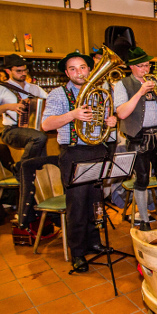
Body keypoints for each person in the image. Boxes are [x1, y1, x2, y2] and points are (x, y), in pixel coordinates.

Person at [41, 52, 118, 273]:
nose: (79, 72)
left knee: (96, 201)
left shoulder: (100, 93)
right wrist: (72, 114)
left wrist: (110, 121)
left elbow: (104, 121)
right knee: (77, 204)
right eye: (73, 69)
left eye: (83, 67)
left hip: (97, 149)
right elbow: (46, 125)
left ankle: (94, 242)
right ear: (66, 73)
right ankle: (77, 252)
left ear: (89, 69)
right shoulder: (58, 94)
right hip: (74, 152)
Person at [114, 46, 157, 228]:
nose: (146, 70)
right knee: (141, 180)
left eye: (148, 65)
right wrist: (140, 92)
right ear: (131, 67)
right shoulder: (122, 84)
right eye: (141, 66)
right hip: (138, 137)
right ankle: (144, 220)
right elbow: (121, 113)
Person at [0, 54, 48, 174]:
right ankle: (20, 169)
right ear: (8, 71)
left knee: (41, 159)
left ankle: (34, 181)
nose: (23, 73)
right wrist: (8, 106)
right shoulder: (0, 89)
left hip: (33, 129)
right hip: (11, 130)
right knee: (39, 137)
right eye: (18, 71)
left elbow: (51, 102)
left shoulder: (34, 88)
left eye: (25, 70)